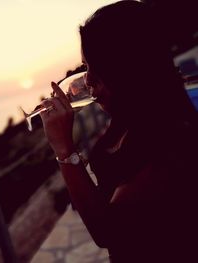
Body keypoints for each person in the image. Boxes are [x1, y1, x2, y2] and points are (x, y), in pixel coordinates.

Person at [40, 1, 198, 262]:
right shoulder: (126, 121)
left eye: (94, 67)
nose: (87, 80)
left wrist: (64, 150)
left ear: (125, 68)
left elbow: (108, 231)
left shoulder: (172, 139)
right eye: (85, 66)